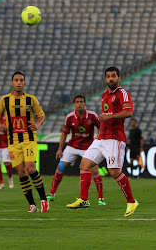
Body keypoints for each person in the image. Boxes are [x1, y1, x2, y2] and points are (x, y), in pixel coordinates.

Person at [66, 66, 139, 217]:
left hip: (114, 139)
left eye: (113, 76)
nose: (110, 79)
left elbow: (129, 112)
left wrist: (109, 117)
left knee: (114, 172)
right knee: (84, 165)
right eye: (108, 76)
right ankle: (84, 199)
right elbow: (105, 117)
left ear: (119, 78)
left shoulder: (122, 93)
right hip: (101, 139)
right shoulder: (104, 95)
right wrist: (100, 132)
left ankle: (131, 201)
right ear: (105, 79)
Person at [0, 71, 49, 213]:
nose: (19, 82)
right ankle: (32, 204)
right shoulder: (4, 100)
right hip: (13, 141)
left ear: (24, 83)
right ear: (12, 83)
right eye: (16, 80)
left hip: (28, 138)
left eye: (21, 80)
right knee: (21, 172)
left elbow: (41, 115)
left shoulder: (31, 99)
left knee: (30, 168)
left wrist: (37, 124)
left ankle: (43, 200)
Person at [47, 95, 105, 205]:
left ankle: (101, 198)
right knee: (60, 167)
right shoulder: (69, 117)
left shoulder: (92, 116)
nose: (79, 104)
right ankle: (52, 194)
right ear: (74, 104)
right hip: (72, 146)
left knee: (94, 171)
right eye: (77, 102)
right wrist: (60, 149)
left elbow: (101, 126)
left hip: (88, 148)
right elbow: (64, 133)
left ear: (85, 104)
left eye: (81, 102)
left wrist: (98, 137)